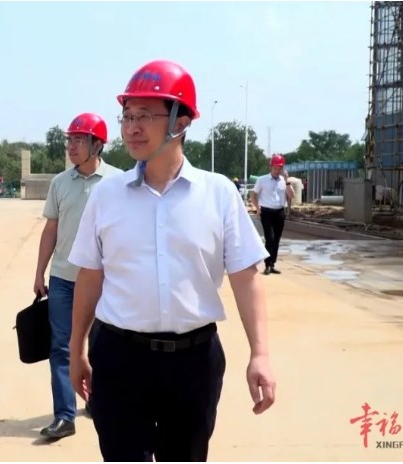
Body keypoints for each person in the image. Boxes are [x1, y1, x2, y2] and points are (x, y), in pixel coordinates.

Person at [67, 60, 276, 462]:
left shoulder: (218, 194)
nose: (132, 128)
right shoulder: (106, 196)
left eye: (145, 116)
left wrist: (260, 354)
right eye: (128, 116)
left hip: (193, 363)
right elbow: (90, 277)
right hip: (119, 358)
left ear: (181, 122)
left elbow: (246, 278)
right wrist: (77, 350)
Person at [33, 112, 122, 440]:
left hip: (104, 281)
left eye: (78, 140)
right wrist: (40, 272)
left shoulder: (118, 182)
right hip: (63, 280)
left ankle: (96, 400)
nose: (71, 146)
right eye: (69, 140)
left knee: (100, 346)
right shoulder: (60, 183)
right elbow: (51, 229)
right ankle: (64, 416)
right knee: (61, 347)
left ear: (97, 145)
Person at [251, 154, 294, 275]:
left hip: (279, 212)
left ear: (282, 168)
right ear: (271, 167)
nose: (277, 170)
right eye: (275, 168)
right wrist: (257, 208)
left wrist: (287, 182)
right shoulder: (262, 180)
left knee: (276, 240)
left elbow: (291, 195)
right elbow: (253, 194)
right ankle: (267, 264)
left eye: (279, 168)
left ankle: (272, 264)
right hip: (266, 212)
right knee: (269, 238)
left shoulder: (284, 181)